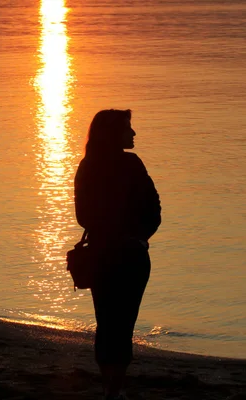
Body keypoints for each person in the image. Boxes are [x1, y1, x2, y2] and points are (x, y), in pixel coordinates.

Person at [74, 109, 161, 400]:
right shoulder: (132, 164)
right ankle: (114, 389)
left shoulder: (88, 165)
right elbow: (154, 209)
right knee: (124, 323)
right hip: (129, 255)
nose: (133, 134)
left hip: (103, 253)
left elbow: (83, 216)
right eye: (128, 128)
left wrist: (115, 233)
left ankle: (108, 386)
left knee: (107, 320)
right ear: (113, 133)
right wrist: (139, 238)